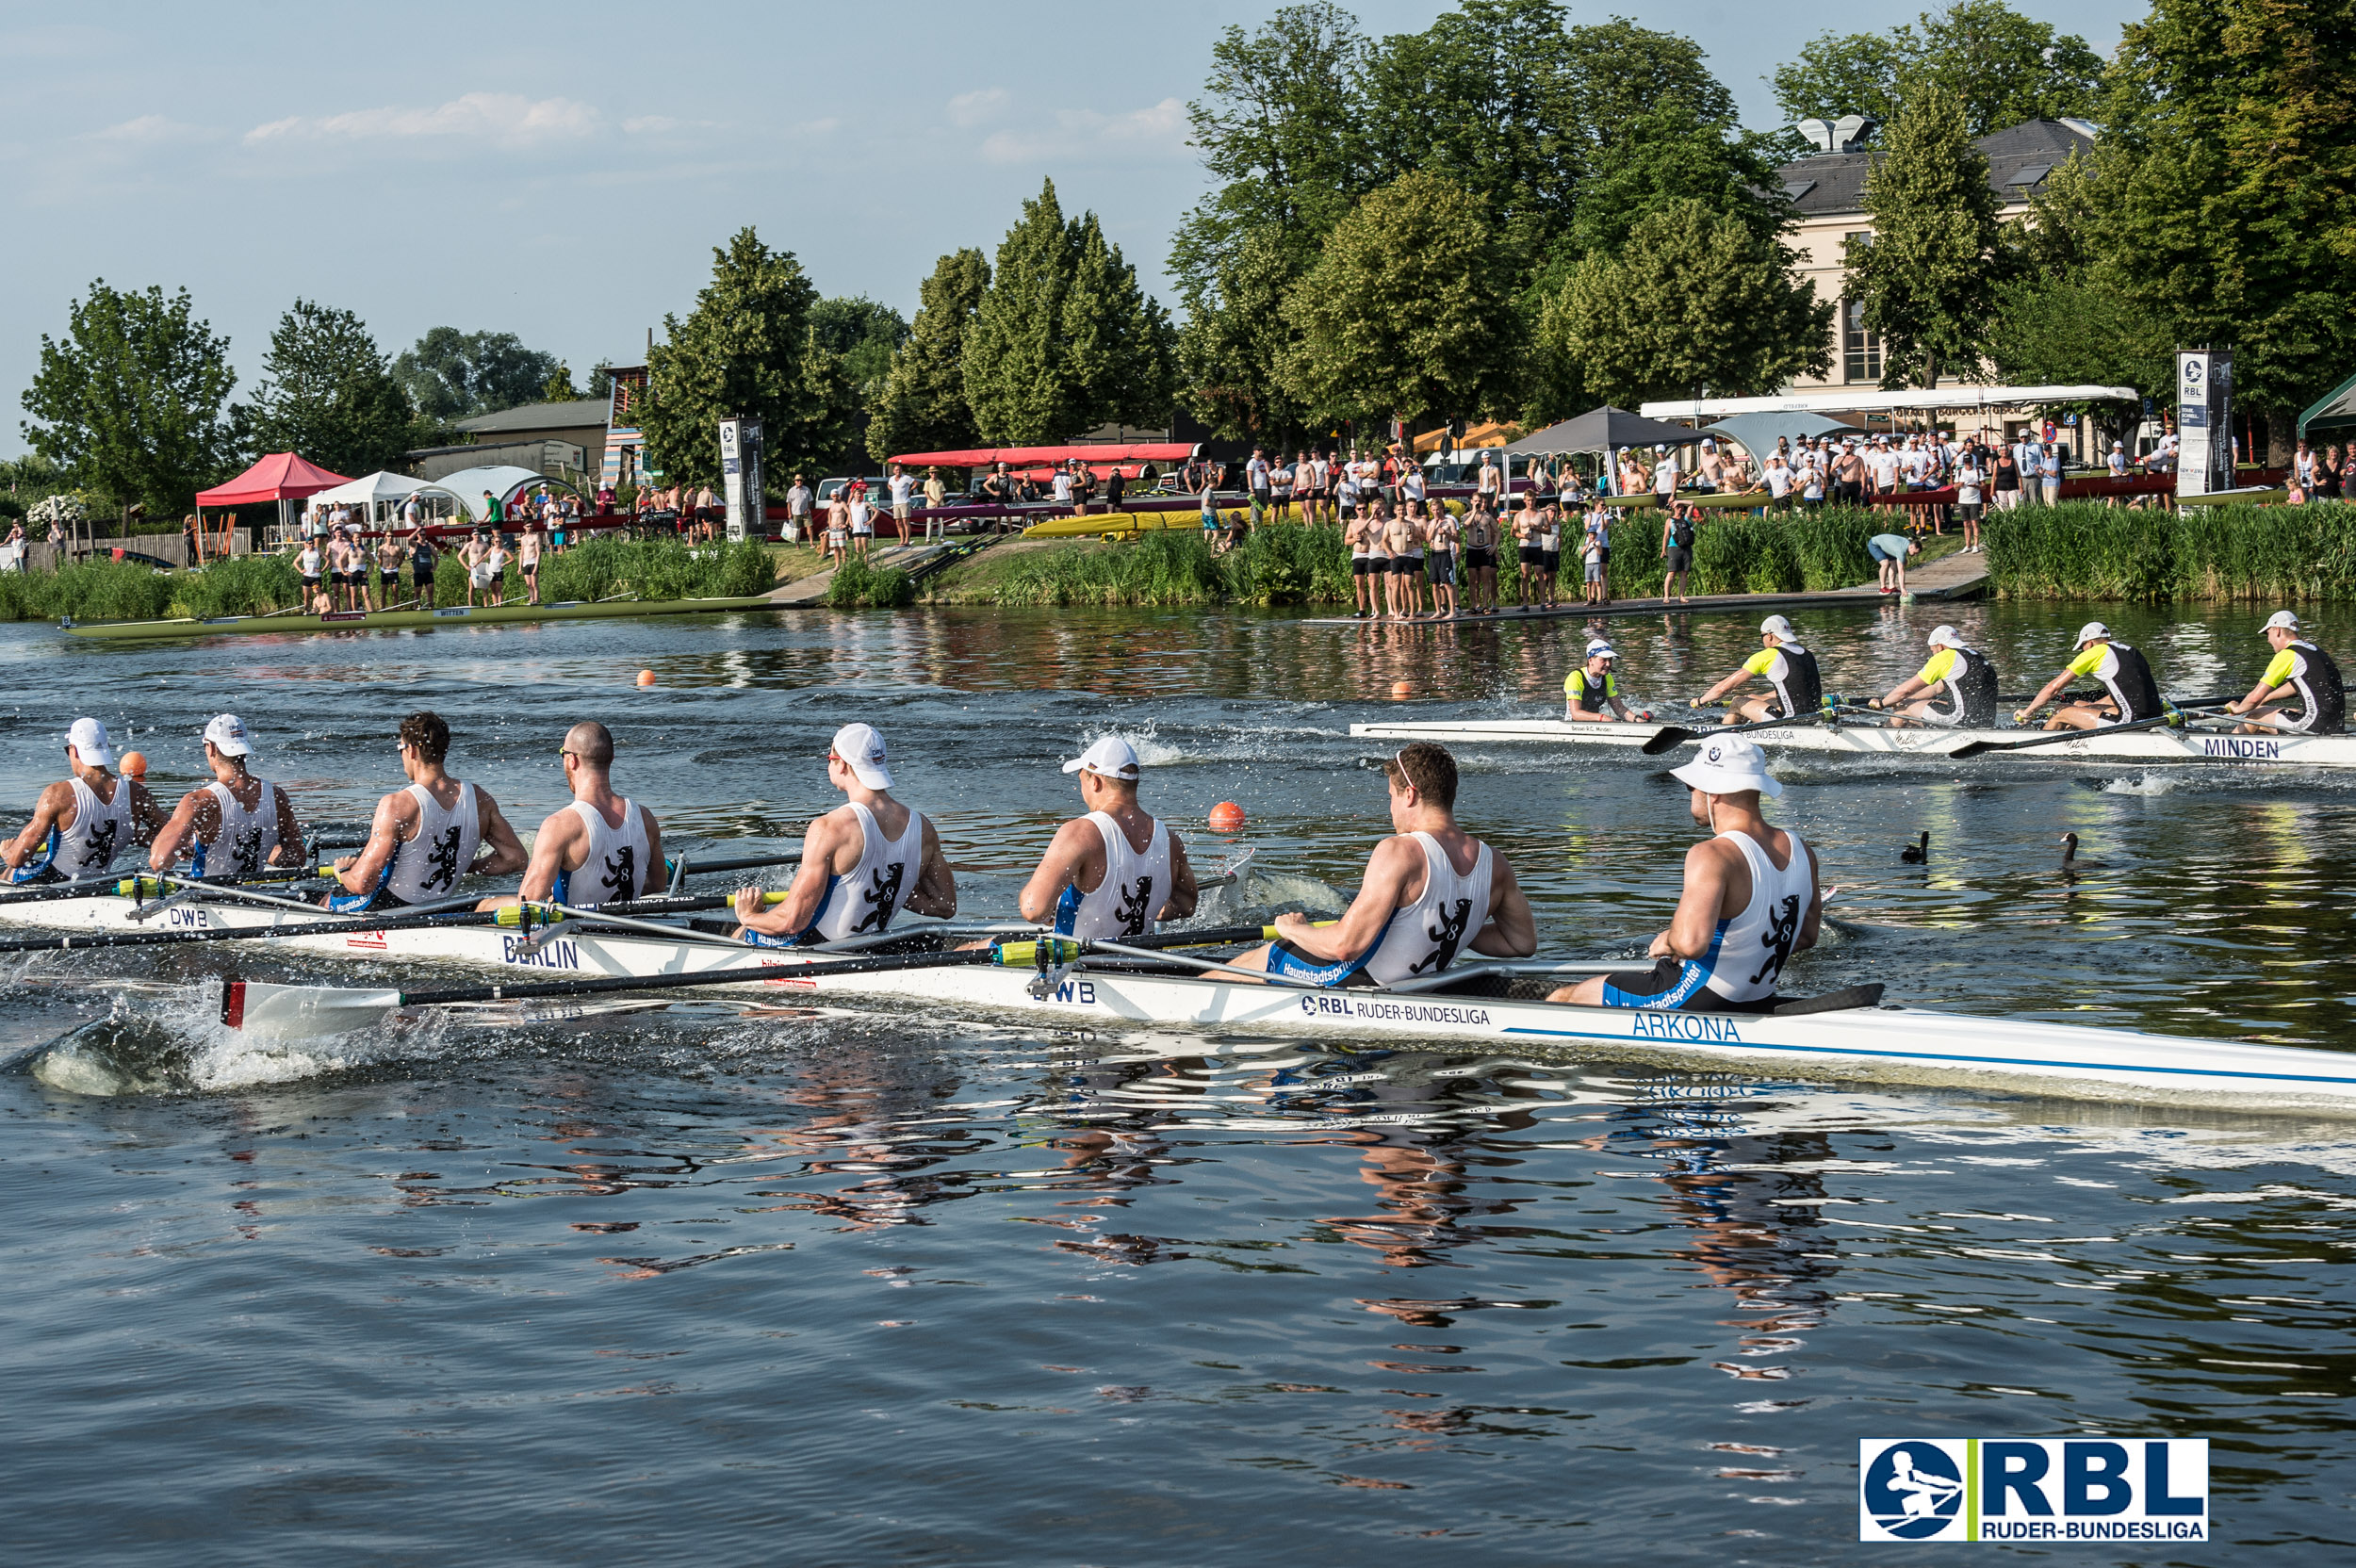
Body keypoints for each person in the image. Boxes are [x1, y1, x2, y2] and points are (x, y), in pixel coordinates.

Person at [1547, 736, 1820, 1014]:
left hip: (1693, 996)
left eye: (1691, 786)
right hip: (1756, 997)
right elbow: (1806, 936)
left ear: (1713, 790)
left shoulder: (1712, 854)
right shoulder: (1802, 850)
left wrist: (1668, 940)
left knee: (1563, 998)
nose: (1689, 793)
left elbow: (1690, 944)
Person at [1228, 742, 1535, 987]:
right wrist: (1453, 929)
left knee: (1262, 956)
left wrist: (1294, 929)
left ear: (1410, 795)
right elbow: (1521, 943)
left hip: (1367, 981)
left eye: (1391, 796)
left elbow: (1345, 946)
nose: (1390, 809)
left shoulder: (1400, 851)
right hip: (1425, 982)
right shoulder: (1496, 863)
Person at [732, 723, 957, 945]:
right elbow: (945, 905)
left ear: (842, 765)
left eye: (829, 758)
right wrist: (893, 889)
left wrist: (748, 915)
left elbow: (792, 922)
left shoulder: (830, 828)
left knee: (740, 933)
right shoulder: (923, 828)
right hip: (868, 944)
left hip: (817, 945)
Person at [326, 710, 527, 912]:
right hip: (437, 906)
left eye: (400, 749)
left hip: (389, 907)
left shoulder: (396, 805)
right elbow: (515, 859)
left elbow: (362, 884)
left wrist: (343, 870)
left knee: (324, 900)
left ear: (412, 751)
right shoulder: (480, 799)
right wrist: (465, 865)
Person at [1016, 736, 1198, 939]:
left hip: (1076, 956)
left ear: (1095, 782)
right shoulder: (1171, 841)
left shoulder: (1080, 833)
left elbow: (1033, 909)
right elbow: (1186, 905)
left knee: (985, 944)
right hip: (1139, 956)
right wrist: (1143, 910)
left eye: (1081, 779)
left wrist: (1051, 912)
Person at [484, 721, 665, 909]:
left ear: (572, 760)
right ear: (611, 758)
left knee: (485, 906)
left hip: (576, 925)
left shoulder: (560, 825)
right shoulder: (645, 818)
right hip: (629, 922)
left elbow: (527, 902)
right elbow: (657, 884)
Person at [3, 718, 162, 883]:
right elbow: (172, 836)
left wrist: (7, 851)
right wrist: (123, 836)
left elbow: (17, 859)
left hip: (55, 881)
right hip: (101, 881)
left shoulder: (58, 794)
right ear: (107, 747)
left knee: (9, 871)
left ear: (74, 750)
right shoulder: (138, 793)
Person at [148, 714, 304, 877]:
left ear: (211, 748)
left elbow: (159, 861)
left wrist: (178, 848)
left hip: (203, 892)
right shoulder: (277, 796)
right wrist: (255, 849)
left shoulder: (199, 801)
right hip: (255, 892)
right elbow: (296, 858)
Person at [2017, 621, 2165, 730]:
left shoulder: (2095, 652)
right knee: (2078, 705)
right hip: (2156, 717)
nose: (2083, 651)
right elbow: (2132, 691)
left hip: (2130, 721)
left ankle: (2044, 743)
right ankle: (2072, 728)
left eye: (2082, 647)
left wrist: (2027, 713)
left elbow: (2053, 689)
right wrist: (2086, 708)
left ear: (2090, 643)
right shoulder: (2130, 650)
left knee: (2061, 711)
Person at [2224, 610, 2345, 735]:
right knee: (2283, 711)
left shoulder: (2287, 655)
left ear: (2277, 630)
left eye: (2268, 633)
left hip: (2314, 727)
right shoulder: (2315, 651)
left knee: (2255, 715)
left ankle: (2229, 745)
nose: (2268, 640)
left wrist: (2237, 708)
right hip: (2335, 726)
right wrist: (2266, 698)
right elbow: (2304, 684)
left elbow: (2254, 699)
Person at [1695, 614, 1822, 724]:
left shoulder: (1767, 655)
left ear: (1770, 636)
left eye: (1762, 636)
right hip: (1813, 717)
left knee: (1737, 702)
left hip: (1790, 721)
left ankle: (1722, 738)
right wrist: (1756, 697)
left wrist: (1701, 700)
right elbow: (1796, 688)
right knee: (1751, 697)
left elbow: (1723, 688)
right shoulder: (1807, 654)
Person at [1872, 625, 1999, 728]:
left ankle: (1884, 739)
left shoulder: (1945, 657)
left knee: (1903, 708)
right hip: (1986, 721)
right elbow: (1937, 688)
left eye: (1932, 650)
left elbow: (1905, 690)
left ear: (1940, 646)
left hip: (1961, 721)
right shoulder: (1976, 656)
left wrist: (1881, 704)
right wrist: (1901, 700)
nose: (1933, 654)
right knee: (1909, 703)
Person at [1563, 642, 1633, 722]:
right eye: (1604, 660)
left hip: (1596, 723)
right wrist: (1602, 717)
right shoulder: (1575, 677)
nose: (1608, 664)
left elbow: (1619, 709)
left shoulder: (1607, 677)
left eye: (1610, 660)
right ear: (1590, 661)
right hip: (1573, 724)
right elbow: (1576, 714)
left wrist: (1636, 719)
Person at [1461, 502, 1497, 616]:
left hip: (1484, 549)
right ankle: (1474, 605)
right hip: (1472, 549)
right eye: (1475, 501)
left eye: (1479, 501)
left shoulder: (1487, 516)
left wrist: (1494, 547)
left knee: (1485, 579)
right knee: (1472, 580)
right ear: (1472, 502)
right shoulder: (1466, 515)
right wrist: (1474, 512)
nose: (1478, 503)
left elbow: (1498, 532)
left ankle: (1485, 605)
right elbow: (1465, 525)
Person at [1426, 502, 1459, 618]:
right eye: (1434, 510)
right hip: (1434, 554)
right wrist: (1434, 527)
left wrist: (1446, 533)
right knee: (1434, 584)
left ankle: (1453, 611)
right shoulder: (1431, 523)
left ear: (1442, 509)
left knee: (1447, 583)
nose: (1436, 512)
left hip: (1445, 553)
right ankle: (1438, 611)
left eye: (1438, 509)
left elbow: (1457, 539)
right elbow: (1427, 539)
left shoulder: (1449, 522)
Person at [1661, 499, 1696, 602]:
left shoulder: (1686, 517)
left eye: (1681, 507)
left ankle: (1681, 596)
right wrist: (1663, 550)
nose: (1680, 509)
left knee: (1684, 573)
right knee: (1672, 572)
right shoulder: (1669, 521)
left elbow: (1692, 503)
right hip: (1674, 548)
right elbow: (1666, 536)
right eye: (1677, 507)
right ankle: (1666, 596)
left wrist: (1679, 501)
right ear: (1673, 508)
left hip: (1686, 548)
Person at [1869, 530, 1918, 595]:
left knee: (1894, 563)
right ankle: (1882, 588)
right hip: (1874, 544)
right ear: (1911, 547)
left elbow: (1900, 551)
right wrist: (1903, 589)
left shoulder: (1907, 543)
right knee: (1885, 563)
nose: (1915, 555)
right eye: (1914, 553)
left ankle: (1892, 587)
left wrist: (1904, 559)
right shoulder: (1901, 551)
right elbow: (1901, 572)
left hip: (1886, 545)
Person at [888, 464, 915, 544]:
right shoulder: (891, 479)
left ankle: (907, 540)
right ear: (894, 471)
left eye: (899, 469)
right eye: (896, 470)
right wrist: (892, 490)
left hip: (904, 502)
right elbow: (888, 485)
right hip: (895, 503)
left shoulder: (906, 478)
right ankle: (902, 540)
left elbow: (916, 483)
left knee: (905, 521)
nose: (898, 471)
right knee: (898, 522)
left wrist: (910, 490)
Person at [517, 524, 543, 605]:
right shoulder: (523, 538)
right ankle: (531, 600)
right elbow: (521, 553)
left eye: (531, 526)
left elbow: (538, 552)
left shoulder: (535, 537)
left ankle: (537, 601)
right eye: (528, 526)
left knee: (534, 584)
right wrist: (519, 567)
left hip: (533, 561)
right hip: (526, 562)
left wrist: (536, 566)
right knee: (529, 585)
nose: (529, 528)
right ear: (524, 527)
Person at [786, 472, 814, 543]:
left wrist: (808, 508)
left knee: (810, 527)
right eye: (798, 480)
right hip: (796, 512)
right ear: (795, 481)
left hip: (806, 513)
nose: (799, 482)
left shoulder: (807, 489)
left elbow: (810, 501)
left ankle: (811, 543)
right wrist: (789, 514)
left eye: (801, 480)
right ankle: (797, 543)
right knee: (797, 529)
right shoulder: (791, 490)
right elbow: (789, 503)